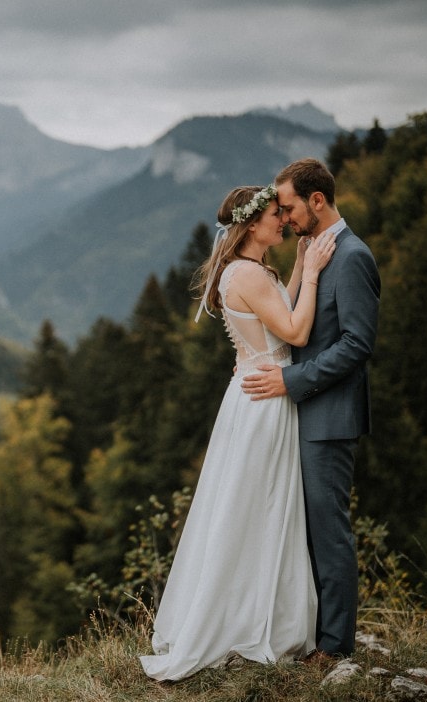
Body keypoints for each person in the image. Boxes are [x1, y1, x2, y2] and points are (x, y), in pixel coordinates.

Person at [140, 183, 337, 681]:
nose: (284, 220)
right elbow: (293, 332)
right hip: (265, 400)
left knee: (250, 506)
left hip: (253, 392)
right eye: (275, 214)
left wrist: (296, 269)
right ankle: (248, 622)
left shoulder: (248, 271)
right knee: (262, 505)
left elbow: (276, 314)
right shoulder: (247, 272)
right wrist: (312, 274)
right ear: (252, 224)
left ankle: (252, 612)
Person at [241, 158, 380, 661]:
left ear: (317, 200)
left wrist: (291, 380)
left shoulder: (353, 257)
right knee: (301, 528)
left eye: (290, 206)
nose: (286, 216)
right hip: (303, 412)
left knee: (328, 528)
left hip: (329, 417)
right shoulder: (316, 253)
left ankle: (336, 647)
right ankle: (307, 631)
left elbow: (356, 344)